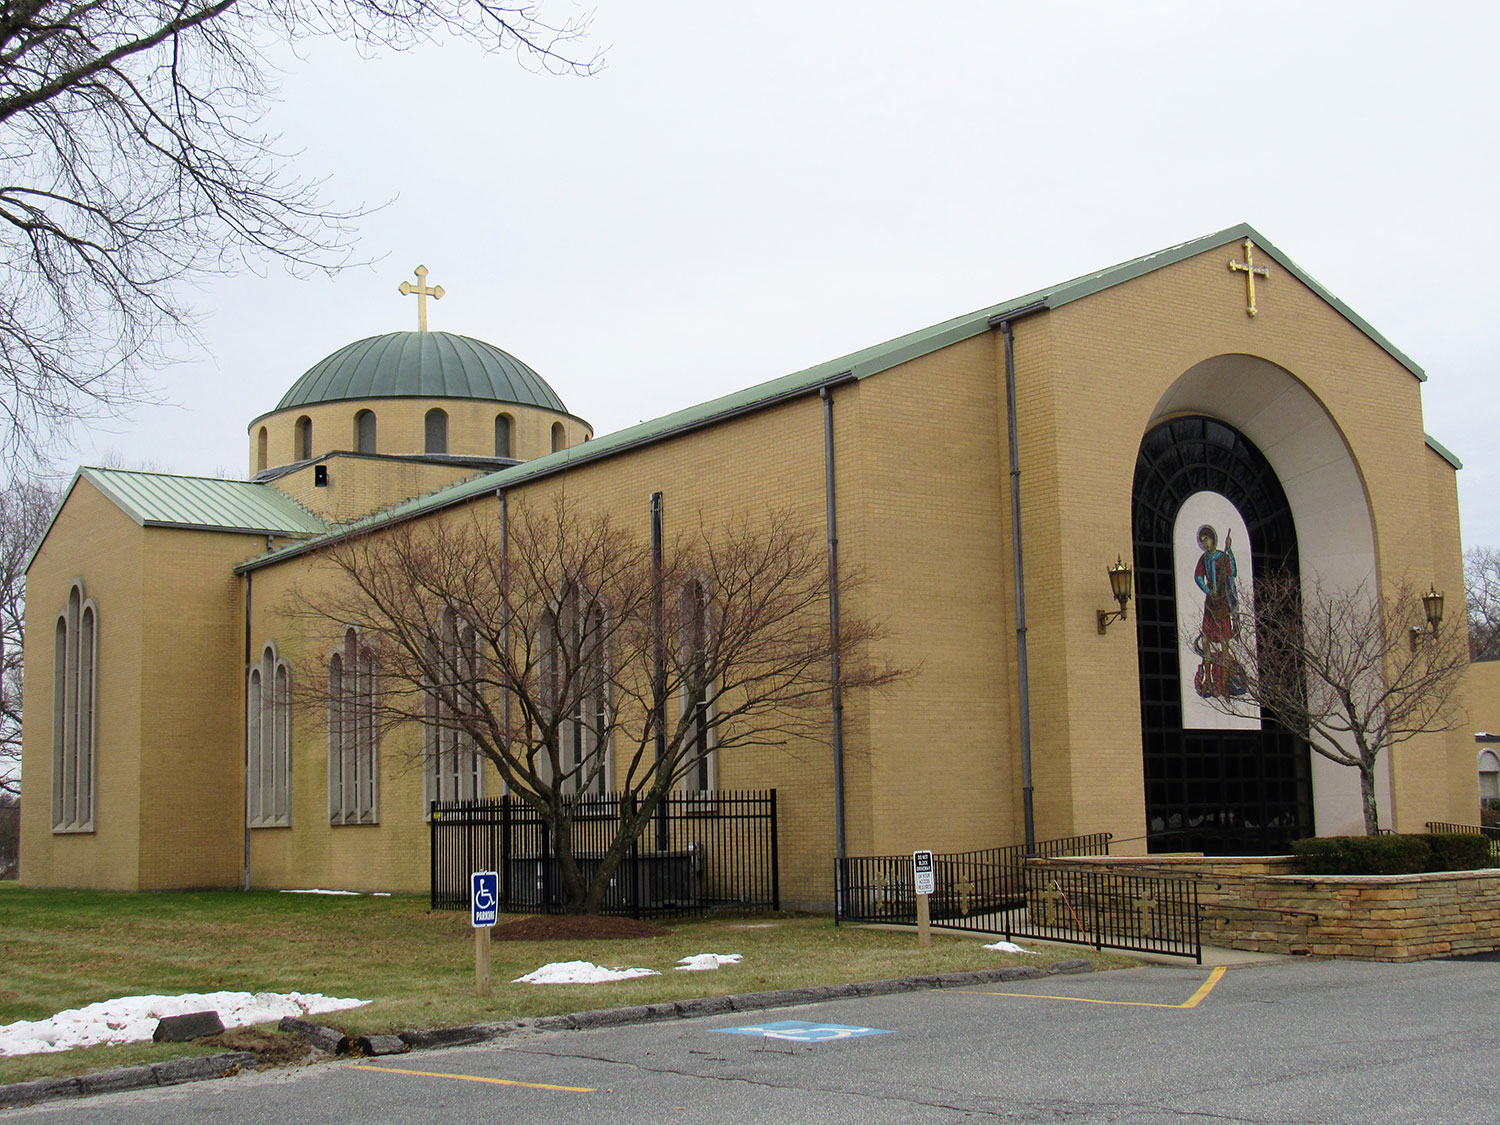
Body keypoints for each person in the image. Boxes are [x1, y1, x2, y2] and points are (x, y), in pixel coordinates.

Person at [1192, 525, 1246, 699]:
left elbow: (1233, 572)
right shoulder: (1204, 558)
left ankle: (1224, 681)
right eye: (1203, 541)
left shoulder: (1222, 557)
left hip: (1223, 602)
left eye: (1207, 540)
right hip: (1211, 603)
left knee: (1224, 640)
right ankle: (1208, 679)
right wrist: (1208, 591)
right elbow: (1198, 577)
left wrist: (1229, 551)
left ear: (1213, 539)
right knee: (1206, 641)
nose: (1206, 544)